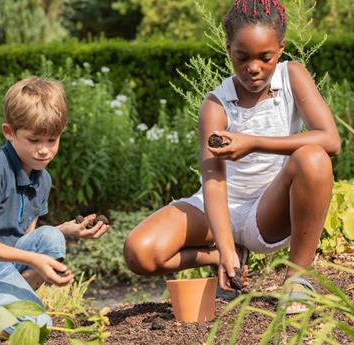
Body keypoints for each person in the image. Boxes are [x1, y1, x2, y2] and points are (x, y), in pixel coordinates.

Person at [123, 0, 340, 314]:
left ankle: (297, 281)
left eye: (265, 58)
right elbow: (213, 182)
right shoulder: (216, 103)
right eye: (242, 57)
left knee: (314, 159)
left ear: (281, 48)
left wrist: (252, 142)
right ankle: (226, 256)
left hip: (266, 212)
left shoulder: (292, 76)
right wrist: (224, 251)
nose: (254, 67)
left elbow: (331, 140)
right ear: (228, 50)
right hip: (217, 211)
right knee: (139, 252)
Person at [0, 76, 109, 336]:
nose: (44, 151)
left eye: (52, 140)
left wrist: (65, 231)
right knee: (36, 325)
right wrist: (35, 259)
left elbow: (23, 242)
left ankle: (3, 310)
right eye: (34, 140)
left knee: (51, 236)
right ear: (9, 132)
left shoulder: (42, 178)